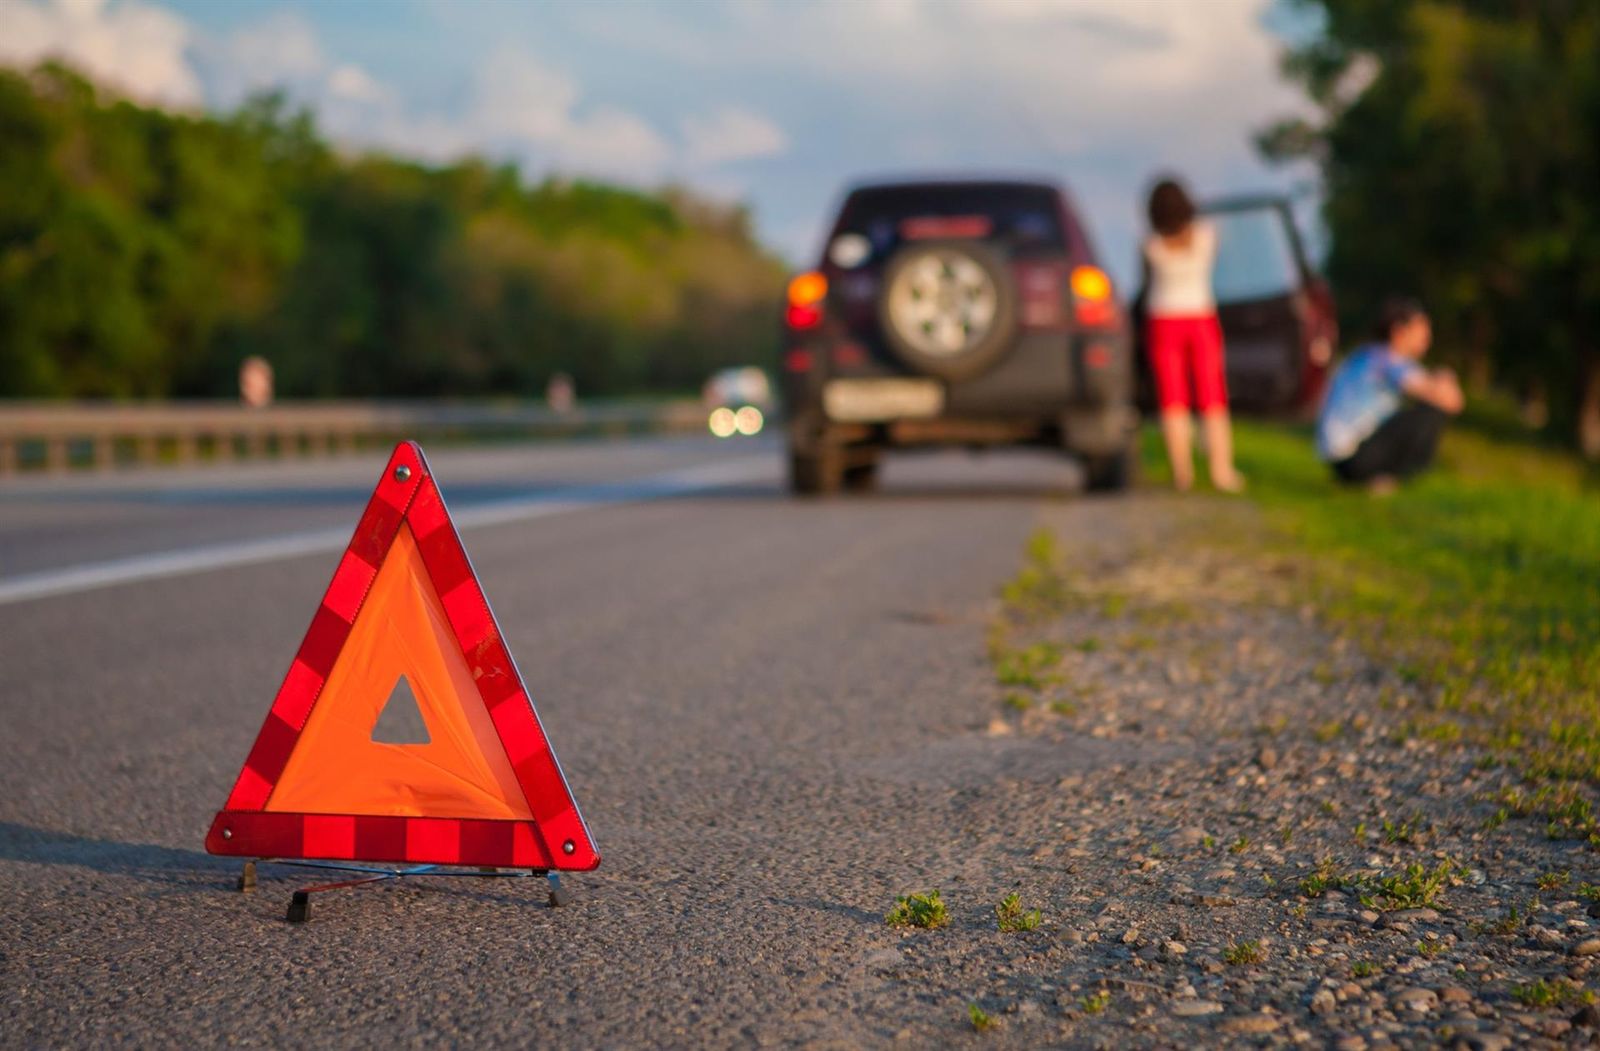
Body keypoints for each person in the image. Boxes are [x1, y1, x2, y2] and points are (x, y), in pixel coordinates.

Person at [1142, 177, 1245, 493]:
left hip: (1162, 320)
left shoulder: (1150, 246)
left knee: (1173, 399)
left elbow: (1145, 285)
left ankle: (1182, 473)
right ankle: (1221, 470)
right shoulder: (1206, 237)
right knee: (1213, 396)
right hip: (1201, 319)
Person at [1317, 297, 1464, 491]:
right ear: (1399, 331)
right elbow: (1451, 402)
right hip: (1354, 458)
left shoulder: (1368, 353)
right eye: (1422, 331)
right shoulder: (1389, 359)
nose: (1427, 338)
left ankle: (1384, 478)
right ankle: (1394, 478)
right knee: (1431, 412)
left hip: (1341, 459)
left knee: (1423, 409)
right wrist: (1446, 379)